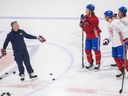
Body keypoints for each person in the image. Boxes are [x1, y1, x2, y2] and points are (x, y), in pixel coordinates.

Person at [103, 10, 128, 78]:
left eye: (105, 16)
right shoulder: (109, 25)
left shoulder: (116, 22)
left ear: (108, 17)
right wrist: (107, 40)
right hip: (114, 45)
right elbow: (111, 35)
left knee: (122, 58)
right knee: (116, 58)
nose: (104, 18)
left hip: (120, 44)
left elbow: (125, 30)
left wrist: (126, 39)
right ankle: (121, 70)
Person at [80, 4, 101, 70]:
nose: (86, 11)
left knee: (96, 50)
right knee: (87, 50)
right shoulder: (86, 17)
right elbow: (82, 26)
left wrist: (84, 22)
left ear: (91, 11)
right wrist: (81, 22)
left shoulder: (95, 19)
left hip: (95, 36)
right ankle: (90, 62)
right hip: (88, 37)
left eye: (87, 10)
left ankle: (97, 63)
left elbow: (89, 28)